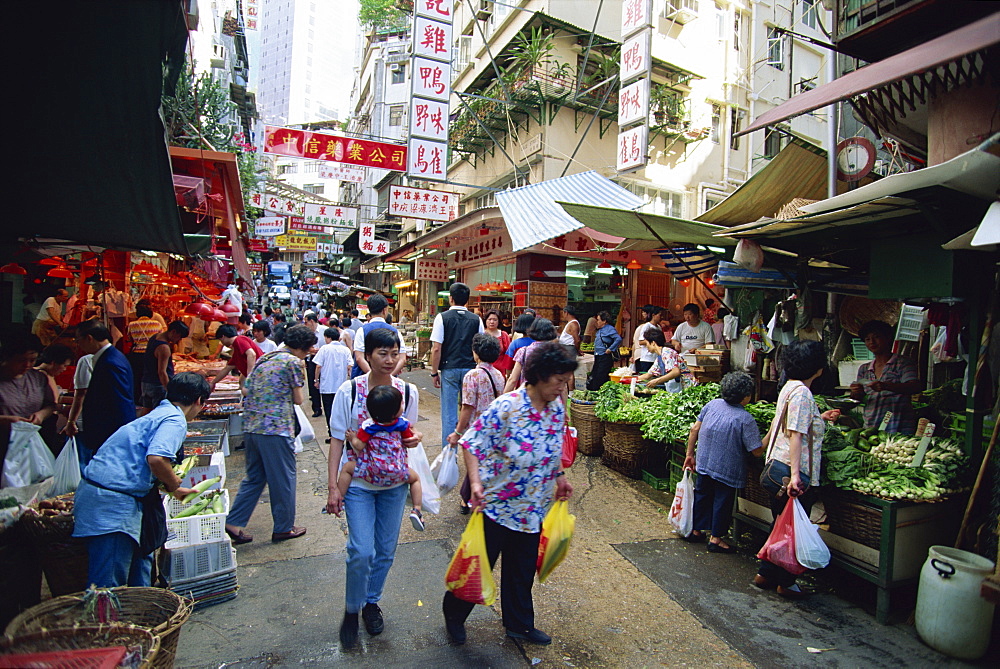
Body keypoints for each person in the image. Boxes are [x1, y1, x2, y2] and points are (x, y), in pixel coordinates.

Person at [443, 340, 576, 646]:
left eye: (565, 380)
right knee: (479, 566)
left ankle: (519, 624)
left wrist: (560, 478)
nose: (562, 387)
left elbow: (552, 449)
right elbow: (472, 444)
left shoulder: (556, 410)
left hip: (533, 509)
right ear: (540, 375)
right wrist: (475, 483)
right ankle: (454, 614)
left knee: (521, 571)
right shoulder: (507, 407)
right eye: (558, 380)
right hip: (497, 506)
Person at [326, 327, 422, 649]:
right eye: (383, 353)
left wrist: (414, 439)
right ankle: (352, 609)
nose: (389, 360)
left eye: (395, 353)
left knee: (385, 551)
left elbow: (406, 435)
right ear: (367, 356)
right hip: (359, 485)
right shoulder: (348, 392)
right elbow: (338, 442)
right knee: (360, 550)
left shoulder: (407, 392)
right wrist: (333, 488)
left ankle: (371, 602)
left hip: (394, 485)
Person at [72, 373, 208, 587]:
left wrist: (173, 490)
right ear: (199, 400)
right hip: (111, 504)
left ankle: (139, 617)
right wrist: (174, 484)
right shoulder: (175, 420)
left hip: (109, 496)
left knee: (138, 571)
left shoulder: (160, 413)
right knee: (108, 586)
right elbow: (156, 459)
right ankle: (106, 620)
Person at [754, 340, 840, 598]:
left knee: (780, 523)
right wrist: (794, 478)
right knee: (791, 529)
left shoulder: (789, 387)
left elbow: (784, 423)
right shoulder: (803, 393)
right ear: (818, 369)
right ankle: (786, 582)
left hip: (776, 466)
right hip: (794, 474)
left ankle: (765, 572)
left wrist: (819, 419)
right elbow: (795, 435)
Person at [225, 325, 314, 545]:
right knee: (283, 478)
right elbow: (298, 399)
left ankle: (233, 522)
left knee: (255, 476)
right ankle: (283, 527)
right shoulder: (292, 362)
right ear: (301, 347)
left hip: (252, 426)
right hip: (275, 428)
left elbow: (247, 387)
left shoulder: (266, 358)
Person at [682, 372, 764, 552]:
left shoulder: (712, 405)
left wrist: (690, 454)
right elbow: (757, 451)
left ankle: (696, 530)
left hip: (704, 462)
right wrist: (772, 434)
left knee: (702, 495)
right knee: (722, 501)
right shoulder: (745, 419)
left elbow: (694, 429)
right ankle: (716, 538)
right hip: (727, 468)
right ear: (746, 397)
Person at [338, 385, 424, 531]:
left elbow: (359, 446)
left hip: (372, 471)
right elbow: (409, 442)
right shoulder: (402, 425)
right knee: (415, 479)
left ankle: (341, 498)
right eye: (401, 404)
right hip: (398, 472)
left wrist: (352, 438)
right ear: (395, 411)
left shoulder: (369, 426)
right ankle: (417, 509)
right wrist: (417, 435)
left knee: (347, 469)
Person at [448, 332, 505, 514]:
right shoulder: (499, 375)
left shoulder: (472, 376)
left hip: (476, 429)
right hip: (494, 428)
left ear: (476, 353)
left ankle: (468, 499)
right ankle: (473, 498)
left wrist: (457, 431)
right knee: (483, 465)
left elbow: (467, 406)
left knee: (475, 464)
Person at [70, 319, 136, 465]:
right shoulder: (111, 357)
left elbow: (120, 402)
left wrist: (120, 438)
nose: (78, 344)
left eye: (78, 340)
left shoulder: (110, 362)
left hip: (110, 434)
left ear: (89, 338)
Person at [430, 283, 484, 446]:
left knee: (449, 413)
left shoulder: (442, 317)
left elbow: (436, 348)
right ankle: (471, 452)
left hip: (449, 368)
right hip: (471, 369)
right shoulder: (476, 319)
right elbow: (480, 346)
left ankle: (449, 456)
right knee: (470, 411)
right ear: (467, 300)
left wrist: (434, 372)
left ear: (450, 299)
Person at [0, 329, 58, 478]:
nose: (27, 365)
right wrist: (6, 420)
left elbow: (51, 405)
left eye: (32, 360)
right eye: (21, 360)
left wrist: (41, 414)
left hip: (30, 449)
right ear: (7, 357)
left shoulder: (37, 378)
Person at [849, 320, 921, 435]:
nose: (872, 342)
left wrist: (885, 386)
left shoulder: (903, 363)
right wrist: (855, 392)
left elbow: (914, 387)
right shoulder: (864, 369)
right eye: (867, 339)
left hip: (899, 426)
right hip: (871, 426)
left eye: (876, 337)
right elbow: (858, 398)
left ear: (887, 338)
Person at [139, 321, 189, 416]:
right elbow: (162, 372)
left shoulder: (155, 337)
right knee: (159, 414)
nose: (178, 340)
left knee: (147, 411)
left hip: (146, 381)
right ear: (173, 332)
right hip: (157, 385)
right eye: (179, 337)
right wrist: (169, 390)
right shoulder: (164, 348)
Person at [314, 327, 353, 443]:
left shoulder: (324, 349)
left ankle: (332, 434)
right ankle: (343, 432)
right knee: (341, 410)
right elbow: (350, 365)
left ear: (328, 338)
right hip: (341, 385)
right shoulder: (345, 350)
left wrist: (316, 379)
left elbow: (318, 366)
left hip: (327, 385)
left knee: (329, 410)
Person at [353, 294, 406, 378]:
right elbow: (402, 359)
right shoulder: (395, 331)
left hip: (364, 381)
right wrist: (388, 377)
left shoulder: (362, 330)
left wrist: (373, 376)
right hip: (389, 384)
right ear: (384, 310)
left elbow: (359, 358)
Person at [504, 318, 558, 392]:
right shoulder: (556, 353)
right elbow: (562, 384)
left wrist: (503, 398)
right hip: (550, 395)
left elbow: (512, 380)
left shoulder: (523, 351)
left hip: (528, 395)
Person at [209, 324, 263, 391]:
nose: (221, 343)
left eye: (220, 340)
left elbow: (251, 354)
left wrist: (249, 376)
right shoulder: (236, 351)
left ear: (223, 337)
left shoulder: (239, 339)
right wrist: (213, 382)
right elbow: (227, 369)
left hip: (261, 378)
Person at [126, 304, 162, 403]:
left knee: (137, 378)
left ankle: (137, 400)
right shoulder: (157, 324)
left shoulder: (132, 324)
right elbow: (160, 339)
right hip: (151, 354)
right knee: (150, 377)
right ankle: (149, 399)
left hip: (136, 355)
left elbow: (129, 339)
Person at [587, 311, 622, 390]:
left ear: (604, 321)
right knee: (595, 373)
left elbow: (618, 339)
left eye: (599, 320)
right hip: (598, 355)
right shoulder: (600, 330)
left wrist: (610, 349)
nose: (597, 322)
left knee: (601, 375)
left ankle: (599, 390)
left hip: (605, 356)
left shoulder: (610, 329)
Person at [303, 313, 324, 417]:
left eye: (306, 322)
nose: (305, 324)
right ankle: (316, 407)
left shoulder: (324, 330)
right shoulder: (306, 333)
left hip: (324, 359)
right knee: (313, 383)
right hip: (312, 359)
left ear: (312, 321)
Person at [631, 305, 663, 374]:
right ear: (653, 315)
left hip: (656, 358)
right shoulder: (647, 326)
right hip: (647, 358)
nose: (661, 317)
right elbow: (641, 341)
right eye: (659, 315)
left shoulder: (659, 327)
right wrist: (650, 343)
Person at [558, 306, 581, 391]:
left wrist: (578, 350)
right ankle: (568, 391)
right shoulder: (571, 323)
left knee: (569, 372)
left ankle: (571, 392)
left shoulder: (573, 324)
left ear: (566, 312)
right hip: (567, 348)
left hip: (569, 349)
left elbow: (577, 340)